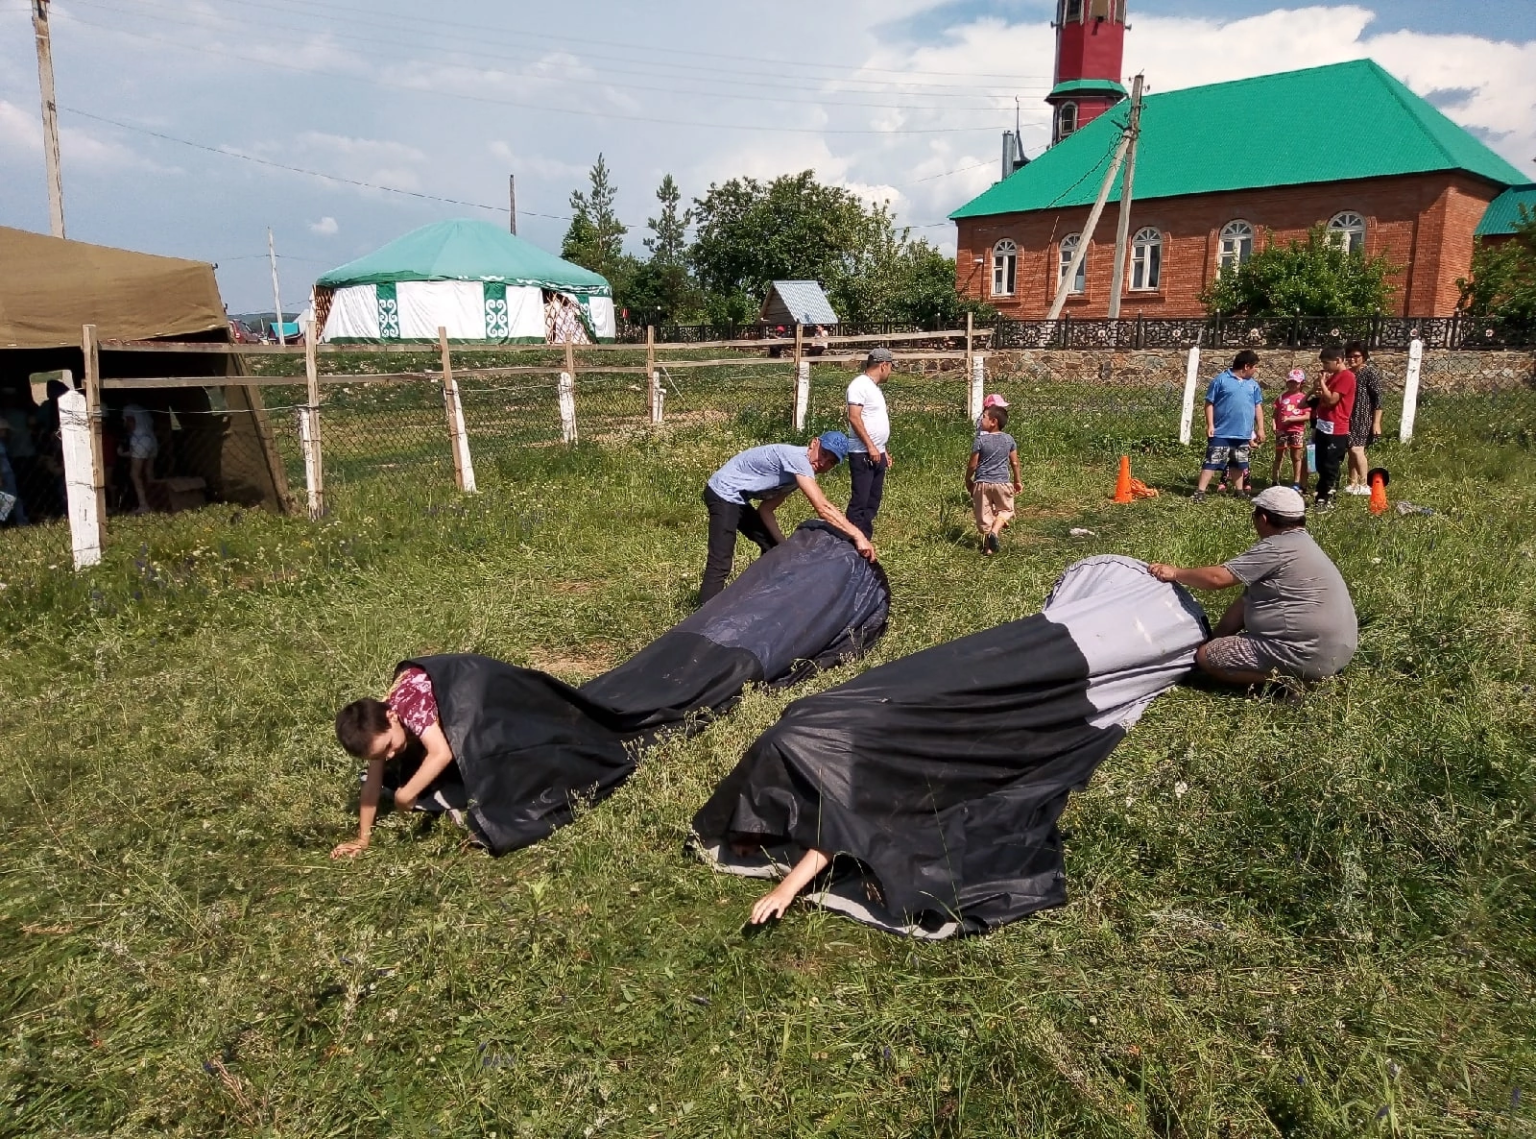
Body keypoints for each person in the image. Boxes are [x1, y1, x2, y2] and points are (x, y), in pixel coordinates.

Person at [1148, 485, 1357, 686]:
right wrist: (1214, 638)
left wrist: (1176, 573)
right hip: (1335, 653)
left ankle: (1297, 680)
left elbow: (1217, 578)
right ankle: (1304, 673)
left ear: (1263, 518)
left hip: (1305, 653)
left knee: (1207, 657)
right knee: (1213, 648)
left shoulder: (1276, 548)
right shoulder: (1304, 544)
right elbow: (1244, 604)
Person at [699, 431, 874, 603]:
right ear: (814, 443)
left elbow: (766, 510)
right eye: (824, 453)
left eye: (831, 462)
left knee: (774, 549)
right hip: (722, 492)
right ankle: (702, 620)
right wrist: (858, 535)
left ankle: (760, 597)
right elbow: (823, 508)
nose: (823, 462)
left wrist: (783, 545)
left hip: (738, 498)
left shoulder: (797, 475)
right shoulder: (798, 460)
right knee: (720, 560)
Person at [331, 667, 458, 858]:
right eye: (379, 755)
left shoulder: (414, 708)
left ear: (391, 717)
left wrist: (405, 795)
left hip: (459, 695)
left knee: (434, 764)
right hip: (422, 712)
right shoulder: (380, 721)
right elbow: (372, 784)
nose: (389, 755)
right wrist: (362, 839)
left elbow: (441, 754)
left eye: (389, 746)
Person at [1192, 350, 1265, 502]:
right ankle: (1200, 491)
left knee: (1239, 463)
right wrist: (1210, 424)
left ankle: (1239, 491)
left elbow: (1257, 406)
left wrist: (1260, 428)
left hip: (1242, 434)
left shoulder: (1253, 385)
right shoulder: (1221, 380)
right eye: (1255, 367)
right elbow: (1209, 403)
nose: (1256, 370)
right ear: (1246, 366)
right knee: (1212, 461)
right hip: (1221, 432)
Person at [845, 347, 893, 539]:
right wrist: (871, 447)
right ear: (883, 365)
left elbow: (874, 421)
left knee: (873, 500)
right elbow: (854, 418)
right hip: (862, 453)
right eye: (890, 367)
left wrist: (883, 450)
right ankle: (852, 540)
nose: (890, 371)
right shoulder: (859, 385)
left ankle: (865, 538)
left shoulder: (874, 388)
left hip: (876, 452)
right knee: (860, 501)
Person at [966, 404, 1021, 555]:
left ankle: (987, 548)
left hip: (982, 483)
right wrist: (1017, 480)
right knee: (1006, 509)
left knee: (984, 515)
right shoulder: (1009, 439)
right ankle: (995, 531)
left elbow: (973, 464)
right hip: (1002, 483)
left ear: (993, 421)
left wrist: (967, 479)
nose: (980, 420)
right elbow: (1014, 462)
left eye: (983, 417)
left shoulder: (980, 441)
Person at [1309, 347, 1356, 507]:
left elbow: (1331, 400)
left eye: (1327, 363)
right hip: (1323, 425)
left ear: (1338, 360)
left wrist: (1322, 382)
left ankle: (1328, 496)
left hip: (1336, 428)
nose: (1324, 366)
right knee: (1320, 463)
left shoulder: (1346, 377)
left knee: (1330, 464)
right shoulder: (1333, 377)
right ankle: (1321, 494)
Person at [1343, 341, 1384, 495]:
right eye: (1349, 356)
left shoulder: (1369, 373)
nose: (1352, 359)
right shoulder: (1347, 374)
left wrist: (1376, 422)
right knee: (1351, 450)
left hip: (1363, 416)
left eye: (1356, 356)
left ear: (1364, 356)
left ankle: (1364, 483)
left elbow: (1378, 399)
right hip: (1348, 418)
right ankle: (1352, 483)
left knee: (1357, 449)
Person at [1270, 368, 1311, 492]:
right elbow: (1275, 414)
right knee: (1279, 456)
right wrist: (1274, 425)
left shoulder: (1304, 398)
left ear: (1301, 384)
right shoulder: (1281, 397)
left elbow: (1307, 416)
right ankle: (1275, 479)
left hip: (1296, 430)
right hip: (1282, 431)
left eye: (1296, 382)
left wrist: (1292, 419)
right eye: (1290, 382)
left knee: (1296, 457)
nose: (1292, 385)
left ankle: (1296, 481)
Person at [119, 403, 158, 514]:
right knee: (149, 473)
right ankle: (154, 501)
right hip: (152, 439)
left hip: (139, 439)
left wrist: (127, 433)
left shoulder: (128, 408)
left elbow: (131, 423)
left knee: (135, 474)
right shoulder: (143, 409)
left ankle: (143, 504)